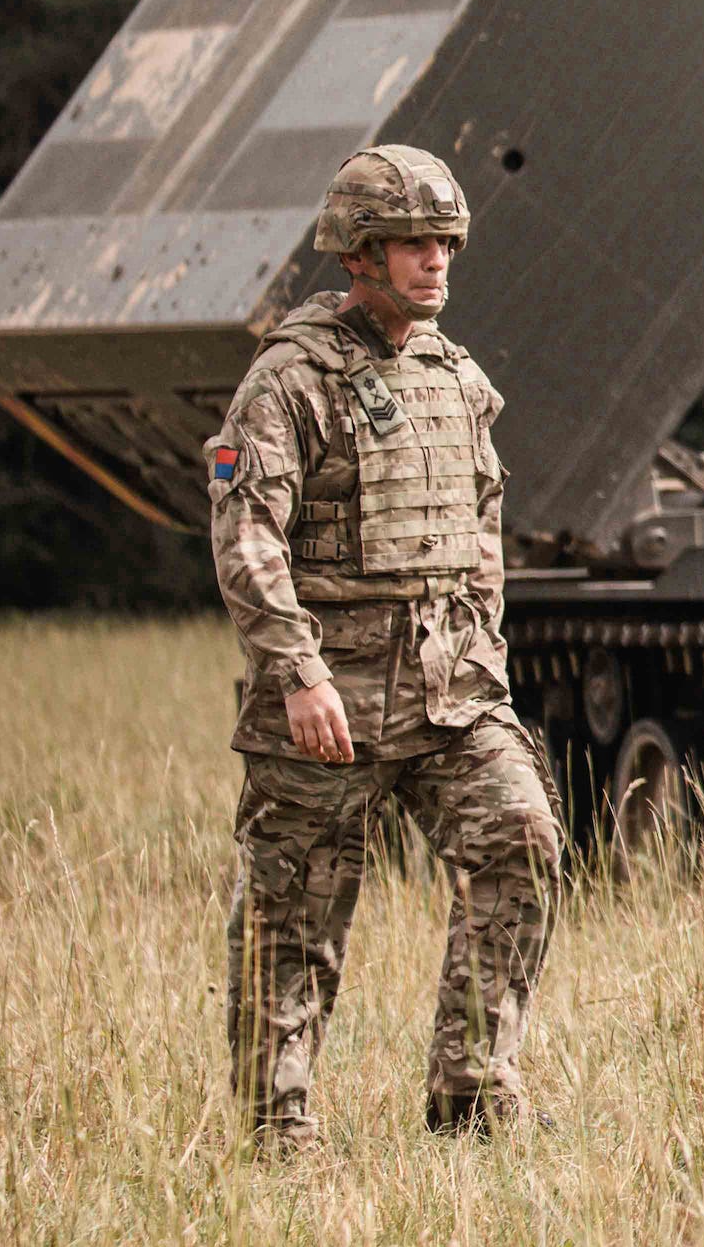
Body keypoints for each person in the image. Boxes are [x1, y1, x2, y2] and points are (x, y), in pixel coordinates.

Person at [210, 145, 562, 1150]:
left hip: (451, 696)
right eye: (412, 242)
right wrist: (299, 672)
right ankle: (278, 1127)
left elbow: (484, 528)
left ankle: (471, 1096)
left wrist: (482, 659)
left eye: (445, 241)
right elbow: (245, 534)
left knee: (523, 841)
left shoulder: (459, 381)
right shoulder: (289, 380)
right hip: (328, 701)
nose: (435, 261)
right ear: (359, 253)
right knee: (296, 914)